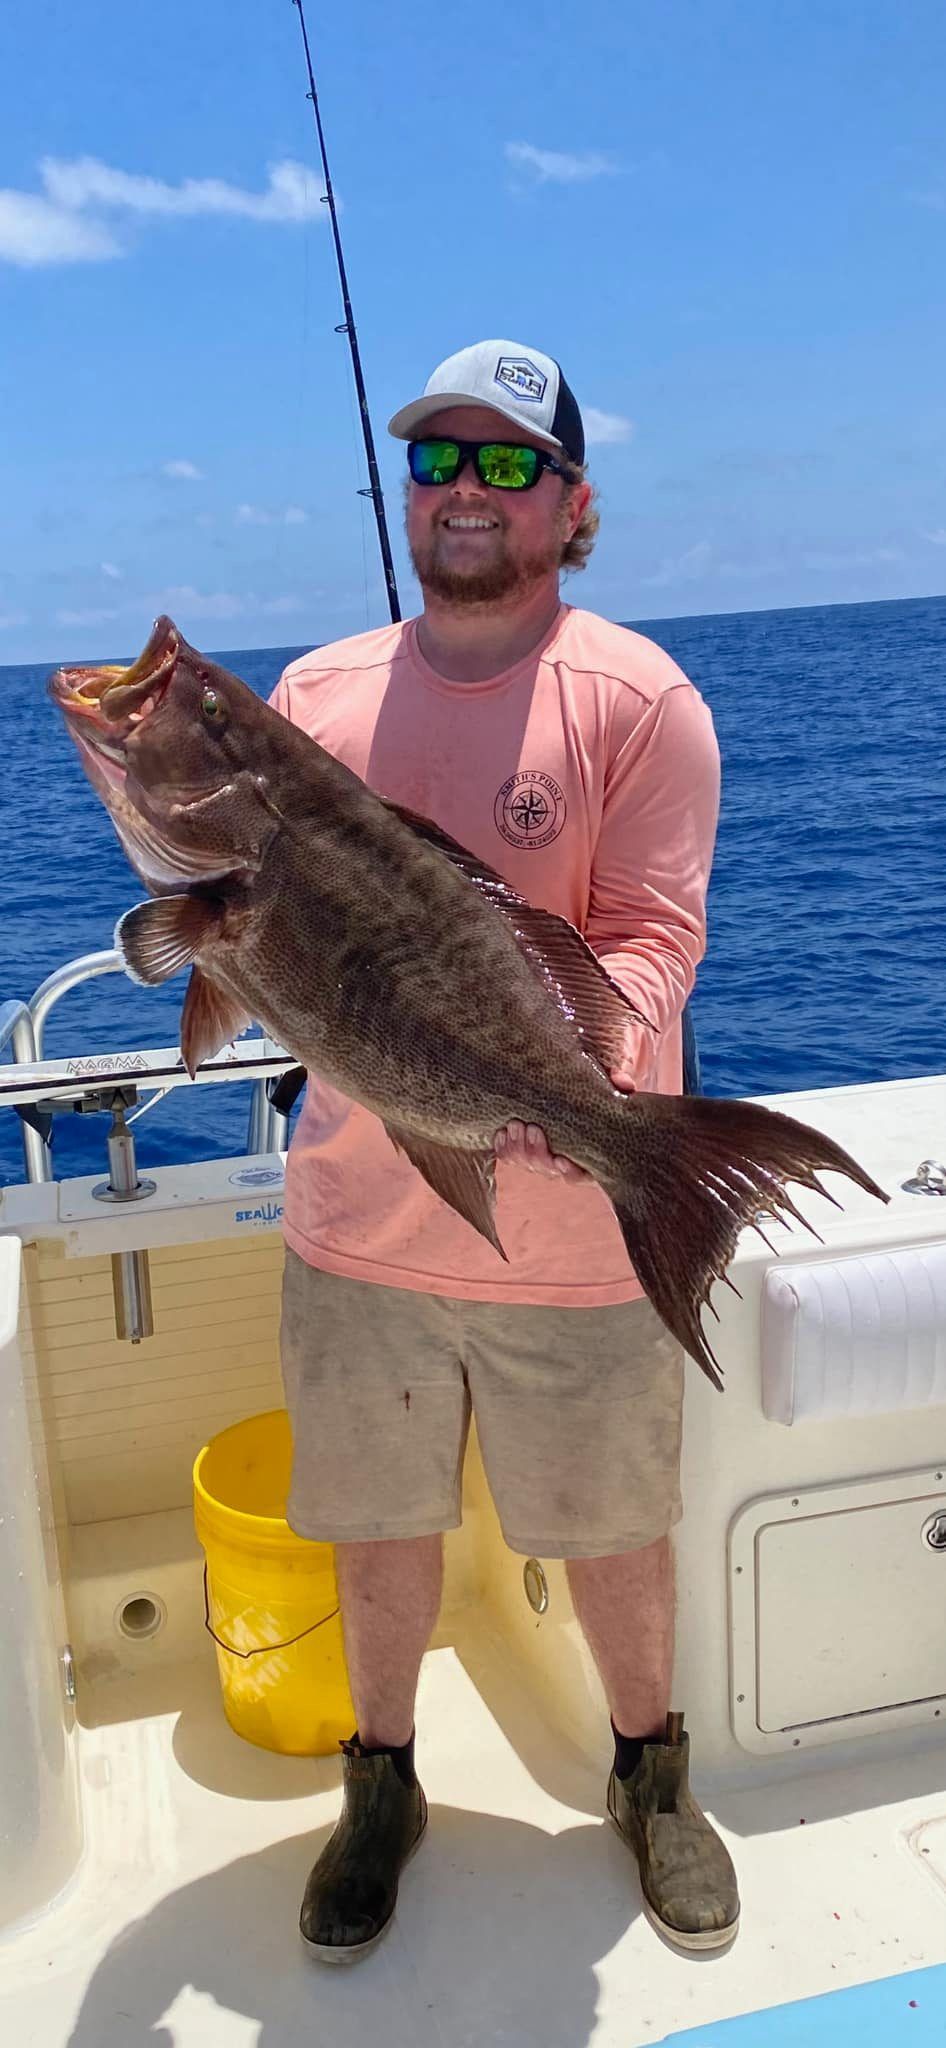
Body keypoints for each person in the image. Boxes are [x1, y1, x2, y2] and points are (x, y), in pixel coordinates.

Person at [269, 338, 738, 1963]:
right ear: (407, 492)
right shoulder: (312, 697)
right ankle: (379, 1784)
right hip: (355, 1219)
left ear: (570, 502)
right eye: (437, 460)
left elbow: (655, 934)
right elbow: (268, 931)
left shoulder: (639, 700)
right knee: (373, 1520)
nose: (465, 489)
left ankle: (651, 1777)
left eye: (508, 463)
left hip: (575, 1234)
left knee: (613, 1525)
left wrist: (573, 1081)